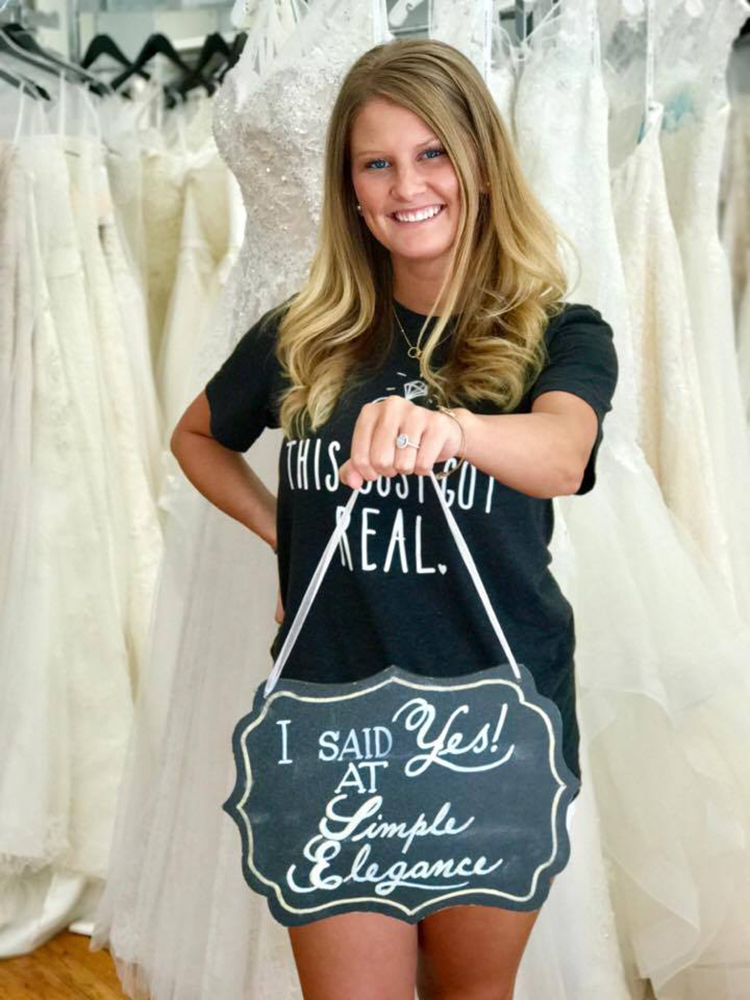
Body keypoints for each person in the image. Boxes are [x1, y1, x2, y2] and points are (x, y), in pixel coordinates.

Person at [171, 37, 618, 1000]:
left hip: (495, 726)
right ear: (351, 189)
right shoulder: (304, 336)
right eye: (376, 162)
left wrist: (448, 430)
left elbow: (561, 455)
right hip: (334, 726)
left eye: (432, 154)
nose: (405, 185)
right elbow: (197, 438)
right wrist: (285, 541)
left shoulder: (559, 333)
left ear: (481, 169)